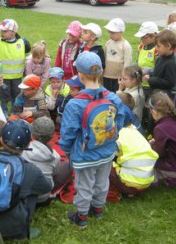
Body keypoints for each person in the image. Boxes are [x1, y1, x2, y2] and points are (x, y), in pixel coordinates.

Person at [59, 52, 129, 228]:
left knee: (84, 185)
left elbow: (67, 133)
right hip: (106, 150)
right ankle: (97, 209)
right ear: (102, 71)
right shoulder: (113, 97)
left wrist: (68, 151)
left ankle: (81, 216)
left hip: (84, 154)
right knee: (102, 181)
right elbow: (119, 121)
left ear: (80, 75)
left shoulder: (75, 104)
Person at [0, 120, 52, 240]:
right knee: (32, 191)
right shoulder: (30, 169)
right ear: (28, 144)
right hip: (11, 228)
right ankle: (20, 234)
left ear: (1, 140)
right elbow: (47, 187)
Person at [109, 101, 158, 198]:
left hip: (131, 182)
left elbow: (111, 154)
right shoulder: (135, 132)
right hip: (148, 180)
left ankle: (125, 190)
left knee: (105, 165)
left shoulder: (119, 135)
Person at [22, 117, 72, 206]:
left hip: (23, 193)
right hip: (42, 198)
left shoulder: (22, 149)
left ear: (32, 135)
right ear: (52, 137)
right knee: (68, 165)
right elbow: (54, 173)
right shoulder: (55, 156)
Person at [149, 91, 176, 187]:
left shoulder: (160, 128)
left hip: (173, 168)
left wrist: (150, 146)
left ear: (154, 112)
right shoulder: (172, 120)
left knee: (142, 162)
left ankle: (166, 178)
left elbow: (158, 153)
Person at [0, 19, 31, 117]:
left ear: (13, 33)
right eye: (1, 31)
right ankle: (4, 110)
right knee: (4, 94)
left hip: (17, 77)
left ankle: (14, 109)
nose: (2, 33)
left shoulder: (23, 42)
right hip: (3, 76)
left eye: (5, 31)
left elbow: (28, 49)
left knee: (16, 94)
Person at [103, 18, 133, 92]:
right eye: (109, 32)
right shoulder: (108, 43)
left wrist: (124, 78)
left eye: (113, 33)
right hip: (107, 76)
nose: (110, 35)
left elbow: (127, 63)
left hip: (118, 78)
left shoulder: (125, 46)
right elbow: (104, 59)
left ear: (121, 32)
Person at [134, 21, 159, 99]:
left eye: (144, 37)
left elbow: (158, 68)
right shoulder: (141, 46)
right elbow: (138, 60)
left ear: (153, 36)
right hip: (140, 81)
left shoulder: (157, 49)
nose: (142, 39)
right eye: (141, 37)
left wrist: (147, 72)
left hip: (150, 83)